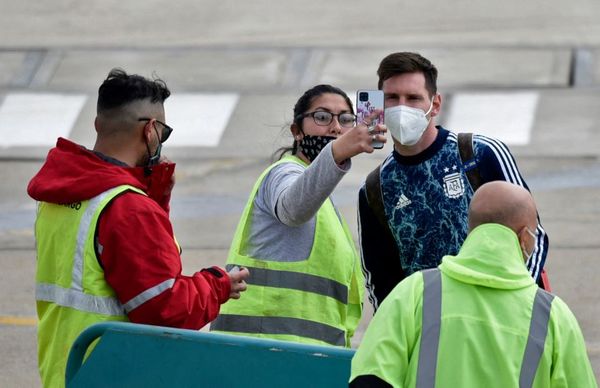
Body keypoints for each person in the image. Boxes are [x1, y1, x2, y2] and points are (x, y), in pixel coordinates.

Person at [27, 68, 249, 388]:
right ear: (150, 131)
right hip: (115, 371)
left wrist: (152, 196)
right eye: (164, 132)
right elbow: (164, 310)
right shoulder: (128, 209)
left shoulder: (60, 196)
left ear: (97, 124)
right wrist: (218, 285)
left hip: (66, 369)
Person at [350, 181, 597, 387]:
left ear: (472, 229)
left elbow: (370, 378)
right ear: (524, 237)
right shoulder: (553, 317)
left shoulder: (415, 292)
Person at [358, 52, 549, 310]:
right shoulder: (375, 188)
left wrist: (513, 304)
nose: (402, 107)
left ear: (435, 104)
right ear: (379, 106)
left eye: (413, 98)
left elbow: (533, 237)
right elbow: (381, 279)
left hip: (498, 312)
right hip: (432, 329)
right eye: (392, 98)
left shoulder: (480, 154)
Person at [210, 84, 386, 347]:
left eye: (346, 119)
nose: (336, 128)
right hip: (261, 349)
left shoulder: (322, 198)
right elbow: (292, 209)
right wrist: (337, 153)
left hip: (304, 355)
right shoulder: (283, 173)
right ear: (296, 131)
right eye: (322, 117)